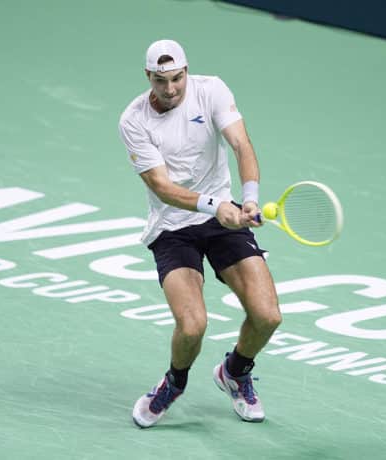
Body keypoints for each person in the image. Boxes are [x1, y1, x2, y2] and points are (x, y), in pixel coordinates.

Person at [118, 39, 282, 428]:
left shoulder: (211, 91)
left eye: (177, 78)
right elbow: (161, 186)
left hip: (223, 217)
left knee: (267, 315)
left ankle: (235, 372)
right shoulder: (133, 120)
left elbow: (241, 144)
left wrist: (250, 199)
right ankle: (174, 383)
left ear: (187, 71)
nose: (171, 89)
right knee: (193, 325)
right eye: (161, 81)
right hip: (172, 228)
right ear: (148, 78)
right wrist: (215, 206)